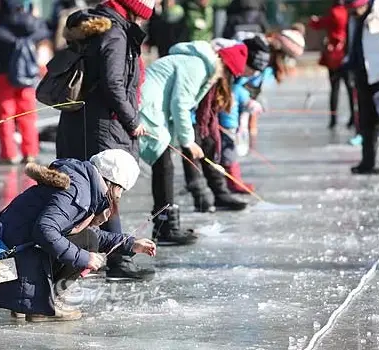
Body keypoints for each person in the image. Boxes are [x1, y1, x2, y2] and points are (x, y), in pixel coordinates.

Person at [0, 149, 157, 321]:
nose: (119, 197)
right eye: (121, 191)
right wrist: (84, 257)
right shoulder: (79, 192)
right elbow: (44, 231)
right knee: (87, 243)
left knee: (86, 239)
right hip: (10, 261)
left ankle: (25, 302)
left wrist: (131, 243)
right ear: (113, 184)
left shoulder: (80, 181)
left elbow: (80, 233)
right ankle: (44, 304)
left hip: (11, 257)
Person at [55, 0, 156, 282]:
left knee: (92, 193)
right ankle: (118, 261)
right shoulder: (114, 33)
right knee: (108, 191)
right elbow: (113, 83)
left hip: (86, 121)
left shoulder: (104, 27)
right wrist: (132, 120)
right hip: (102, 123)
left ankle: (81, 257)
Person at [139, 40, 248, 243]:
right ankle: (165, 227)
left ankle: (165, 225)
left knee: (164, 165)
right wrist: (188, 142)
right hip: (147, 108)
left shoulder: (199, 65)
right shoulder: (197, 67)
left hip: (153, 108)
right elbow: (179, 104)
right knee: (164, 165)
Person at [0, 0, 50, 165]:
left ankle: (8, 154)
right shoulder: (34, 24)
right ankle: (30, 153)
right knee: (27, 116)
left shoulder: (1, 26)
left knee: (4, 117)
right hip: (27, 77)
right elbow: (44, 35)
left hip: (3, 76)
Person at [217, 36, 269, 194]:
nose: (251, 75)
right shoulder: (229, 79)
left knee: (229, 153)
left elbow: (240, 93)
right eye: (251, 71)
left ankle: (232, 182)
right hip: (225, 123)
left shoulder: (238, 84)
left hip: (232, 124)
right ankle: (232, 183)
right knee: (227, 154)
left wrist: (249, 104)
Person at [344, 0, 379, 174]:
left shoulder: (377, 13)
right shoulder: (353, 19)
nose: (353, 12)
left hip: (378, 75)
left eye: (356, 8)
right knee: (366, 122)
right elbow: (354, 45)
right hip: (363, 75)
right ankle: (368, 162)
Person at [309, 0, 355, 129]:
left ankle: (333, 119)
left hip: (334, 55)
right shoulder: (349, 11)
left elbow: (318, 24)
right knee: (350, 89)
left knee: (334, 88)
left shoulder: (333, 12)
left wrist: (314, 20)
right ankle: (352, 117)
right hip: (346, 53)